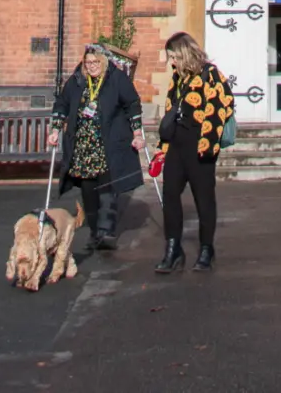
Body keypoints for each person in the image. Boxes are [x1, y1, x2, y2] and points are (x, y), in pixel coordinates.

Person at [49, 42, 145, 251]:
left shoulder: (116, 79)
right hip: (83, 146)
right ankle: (94, 232)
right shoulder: (77, 80)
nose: (91, 66)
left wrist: (137, 132)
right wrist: (55, 129)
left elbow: (132, 104)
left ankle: (107, 232)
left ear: (103, 62)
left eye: (95, 62)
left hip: (109, 144)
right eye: (87, 62)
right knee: (88, 191)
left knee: (108, 188)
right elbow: (62, 104)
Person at [154, 30, 234, 275]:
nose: (171, 63)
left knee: (204, 199)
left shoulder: (211, 75)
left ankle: (206, 249)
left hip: (200, 146)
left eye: (173, 57)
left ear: (183, 53)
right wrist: (162, 148)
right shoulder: (177, 79)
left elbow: (223, 105)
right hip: (176, 145)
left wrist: (208, 144)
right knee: (169, 195)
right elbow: (169, 114)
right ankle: (173, 248)